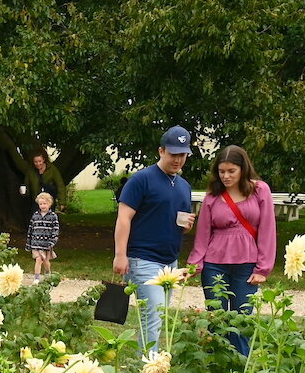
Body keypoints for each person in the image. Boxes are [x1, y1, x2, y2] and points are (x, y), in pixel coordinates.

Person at [107, 125, 195, 349]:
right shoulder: (142, 180)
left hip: (170, 261)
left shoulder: (184, 186)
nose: (178, 160)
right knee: (153, 318)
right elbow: (124, 218)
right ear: (161, 151)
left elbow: (174, 222)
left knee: (160, 318)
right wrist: (120, 255)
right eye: (174, 154)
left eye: (182, 154)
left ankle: (150, 370)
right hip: (142, 259)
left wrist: (186, 227)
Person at [188, 145, 276, 356]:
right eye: (221, 171)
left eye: (231, 171)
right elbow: (202, 233)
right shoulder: (213, 196)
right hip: (214, 264)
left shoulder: (260, 190)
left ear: (243, 169)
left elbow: (267, 229)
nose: (226, 176)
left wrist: (263, 268)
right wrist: (195, 264)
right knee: (216, 317)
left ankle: (240, 369)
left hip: (246, 264)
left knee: (241, 318)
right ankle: (215, 369)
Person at [26, 191, 60, 281]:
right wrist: (28, 243)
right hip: (36, 243)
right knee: (38, 259)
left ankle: (48, 272)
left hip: (46, 244)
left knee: (45, 261)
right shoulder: (35, 216)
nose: (42, 206)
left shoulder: (53, 216)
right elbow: (31, 229)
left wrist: (52, 241)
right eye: (40, 204)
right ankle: (37, 278)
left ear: (49, 203)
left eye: (45, 203)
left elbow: (55, 229)